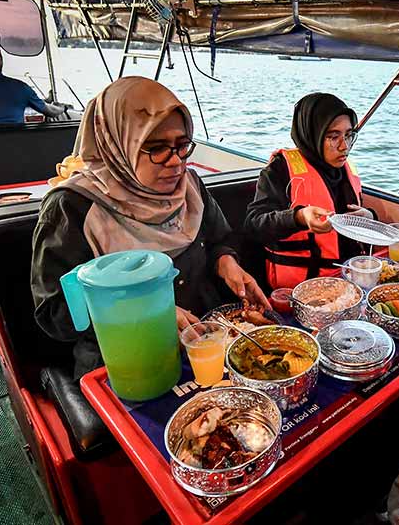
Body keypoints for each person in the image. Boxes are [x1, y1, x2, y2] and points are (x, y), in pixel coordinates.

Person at [31, 77, 266, 378]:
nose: (175, 162)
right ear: (117, 145)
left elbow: (219, 238)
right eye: (156, 148)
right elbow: (55, 313)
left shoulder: (190, 186)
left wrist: (226, 262)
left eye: (182, 145)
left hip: (207, 340)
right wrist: (148, 315)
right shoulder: (73, 208)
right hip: (126, 361)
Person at [244, 92, 374, 289]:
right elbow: (254, 225)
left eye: (348, 135)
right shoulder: (280, 170)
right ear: (312, 134)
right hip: (302, 288)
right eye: (333, 136)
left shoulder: (345, 170)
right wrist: (299, 217)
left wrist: (369, 217)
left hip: (349, 280)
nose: (344, 146)